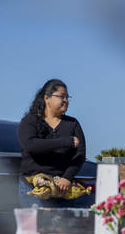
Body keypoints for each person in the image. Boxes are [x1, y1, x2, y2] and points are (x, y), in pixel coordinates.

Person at [17, 79, 88, 209]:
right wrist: (65, 141)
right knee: (34, 228)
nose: (66, 100)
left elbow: (80, 154)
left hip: (62, 190)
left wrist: (67, 177)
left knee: (63, 229)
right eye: (62, 96)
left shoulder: (73, 124)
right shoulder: (30, 121)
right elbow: (30, 145)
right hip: (32, 188)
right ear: (47, 98)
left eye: (67, 97)